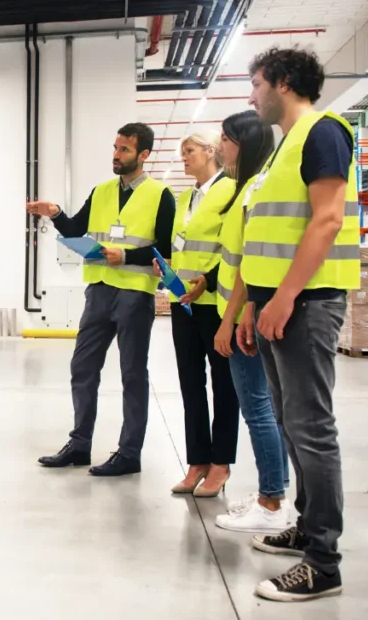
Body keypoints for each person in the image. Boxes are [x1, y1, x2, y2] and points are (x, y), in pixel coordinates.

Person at [238, 48, 359, 602]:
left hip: (306, 304)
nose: (251, 94)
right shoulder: (280, 149)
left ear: (284, 82)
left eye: (257, 83)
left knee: (312, 428)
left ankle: (323, 563)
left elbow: (328, 218)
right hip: (277, 306)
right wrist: (252, 304)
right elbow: (265, 236)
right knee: (291, 422)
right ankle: (308, 527)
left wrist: (284, 297)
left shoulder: (322, 132)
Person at [28, 123, 176, 476]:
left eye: (124, 150)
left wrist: (124, 257)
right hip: (98, 292)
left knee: (132, 374)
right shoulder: (102, 191)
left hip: (135, 296)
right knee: (82, 367)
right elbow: (77, 229)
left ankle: (129, 453)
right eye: (115, 148)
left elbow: (167, 252)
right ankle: (80, 444)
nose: (116, 155)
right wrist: (55, 213)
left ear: (143, 155)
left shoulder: (161, 195)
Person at [207, 111, 291, 534]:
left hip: (243, 319)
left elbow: (245, 266)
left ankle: (271, 502)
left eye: (225, 139)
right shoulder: (245, 190)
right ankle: (272, 493)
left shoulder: (252, 191)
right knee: (266, 409)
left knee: (258, 409)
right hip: (242, 314)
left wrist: (232, 319)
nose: (219, 146)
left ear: (245, 143)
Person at [154, 131, 239, 498]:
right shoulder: (185, 197)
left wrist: (209, 279)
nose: (184, 158)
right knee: (190, 385)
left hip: (216, 303)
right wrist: (168, 268)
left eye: (188, 151)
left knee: (224, 386)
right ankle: (197, 461)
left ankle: (221, 463)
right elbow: (181, 245)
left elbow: (232, 247)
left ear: (210, 151)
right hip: (183, 302)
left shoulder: (230, 190)